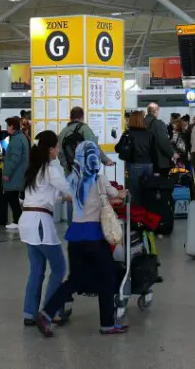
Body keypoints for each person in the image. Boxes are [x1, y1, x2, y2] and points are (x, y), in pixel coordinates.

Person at [33, 141, 128, 336]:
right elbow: (116, 194)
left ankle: (47, 313)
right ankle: (107, 324)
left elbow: (72, 198)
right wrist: (123, 193)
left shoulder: (71, 180)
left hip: (75, 237)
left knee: (75, 280)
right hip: (94, 237)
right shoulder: (99, 179)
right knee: (107, 277)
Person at [18, 130, 71, 327]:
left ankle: (29, 312)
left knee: (36, 269)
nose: (58, 150)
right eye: (56, 146)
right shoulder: (51, 169)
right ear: (50, 149)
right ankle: (50, 311)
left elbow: (39, 194)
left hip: (27, 221)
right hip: (41, 223)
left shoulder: (34, 168)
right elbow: (68, 189)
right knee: (59, 267)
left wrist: (60, 196)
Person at [57, 107, 113, 173]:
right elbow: (94, 147)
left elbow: (60, 153)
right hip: (84, 172)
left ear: (70, 117)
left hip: (69, 171)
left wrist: (66, 166)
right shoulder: (85, 129)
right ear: (82, 117)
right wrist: (106, 160)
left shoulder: (63, 132)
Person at [115, 111, 154, 203]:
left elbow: (118, 148)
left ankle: (136, 213)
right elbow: (154, 149)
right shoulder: (149, 133)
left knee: (134, 192)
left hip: (134, 164)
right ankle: (148, 212)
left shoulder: (128, 133)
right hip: (149, 165)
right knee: (149, 190)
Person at [3, 117, 29, 231]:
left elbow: (14, 158)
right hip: (20, 171)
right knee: (13, 196)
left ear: (12, 127)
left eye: (8, 126)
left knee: (10, 195)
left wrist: (7, 173)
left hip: (15, 173)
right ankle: (18, 220)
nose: (6, 128)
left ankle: (17, 220)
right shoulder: (21, 137)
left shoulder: (16, 139)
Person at [145, 103, 175, 174]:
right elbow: (163, 142)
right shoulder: (158, 124)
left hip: (143, 159)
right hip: (158, 160)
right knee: (160, 183)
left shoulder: (140, 123)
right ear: (155, 111)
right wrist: (172, 153)